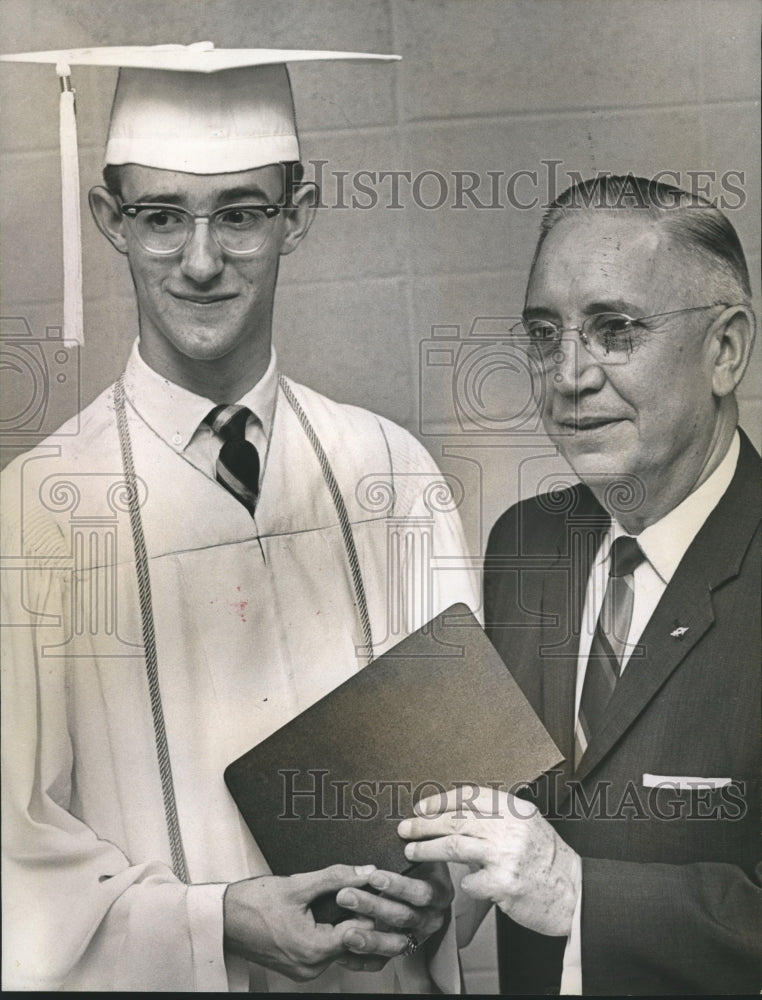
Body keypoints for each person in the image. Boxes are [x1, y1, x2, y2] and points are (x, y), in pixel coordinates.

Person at [0, 44, 479, 992]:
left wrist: (443, 881)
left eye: (244, 214)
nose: (204, 261)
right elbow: (10, 850)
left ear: (297, 216)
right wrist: (210, 923)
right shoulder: (34, 515)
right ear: (111, 221)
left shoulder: (392, 474)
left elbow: (470, 778)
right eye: (162, 217)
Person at [398, 175, 761, 994]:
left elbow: (552, 874)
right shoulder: (524, 544)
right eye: (543, 334)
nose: (567, 375)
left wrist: (577, 893)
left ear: (726, 350)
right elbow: (497, 804)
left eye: (615, 330)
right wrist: (424, 901)